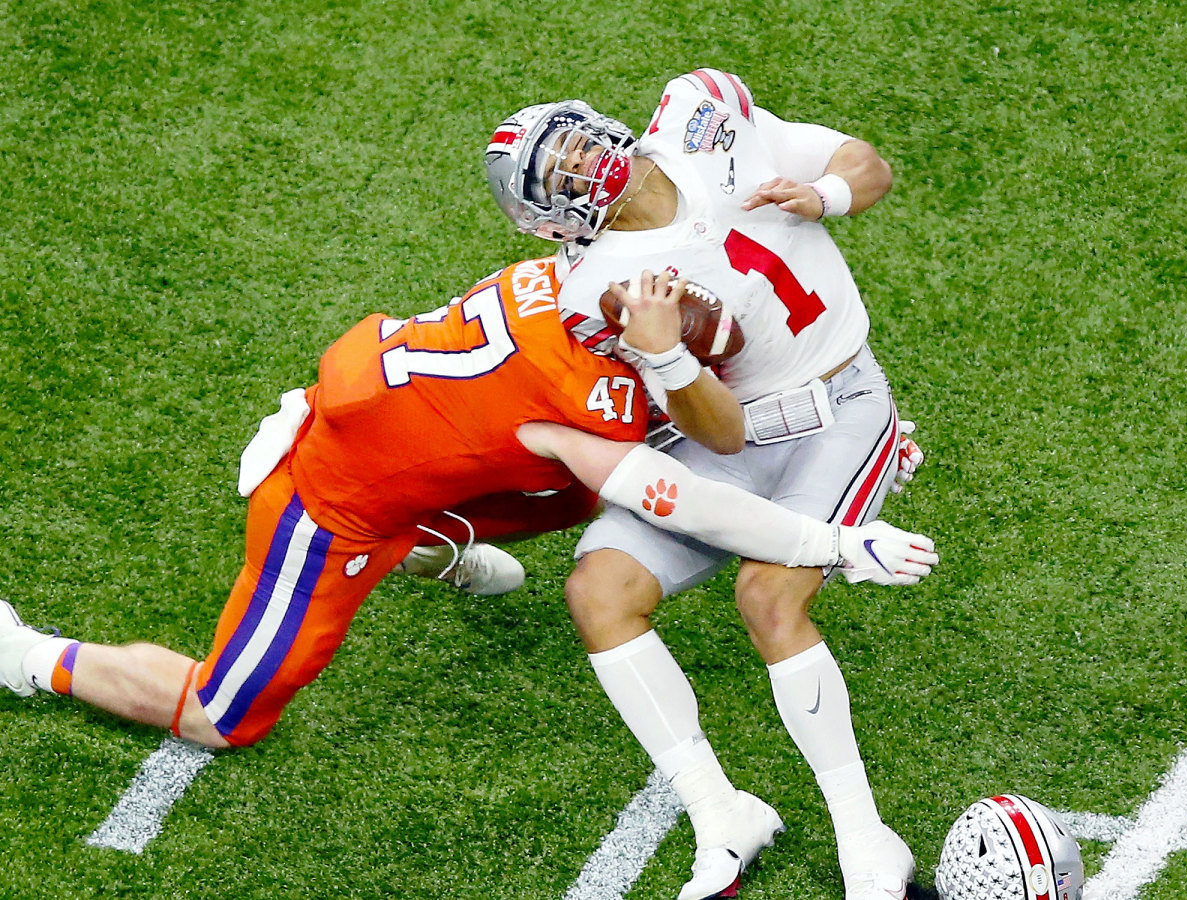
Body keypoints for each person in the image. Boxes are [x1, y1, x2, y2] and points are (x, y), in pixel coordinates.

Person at [0, 260, 935, 754]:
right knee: (223, 715)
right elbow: (696, 492)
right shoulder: (583, 409)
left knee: (582, 486)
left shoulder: (555, 288)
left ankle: (435, 537)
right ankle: (27, 654)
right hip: (332, 506)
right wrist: (835, 532)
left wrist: (835, 430)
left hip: (412, 434)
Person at [485, 70, 924, 900]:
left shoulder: (700, 114)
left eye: (576, 144)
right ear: (551, 221)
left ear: (601, 123)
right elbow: (717, 431)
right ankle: (722, 814)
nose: (583, 167)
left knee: (769, 599)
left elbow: (870, 166)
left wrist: (824, 195)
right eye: (560, 175)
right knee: (598, 590)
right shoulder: (595, 289)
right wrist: (664, 352)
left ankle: (867, 839)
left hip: (840, 405)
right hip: (729, 433)